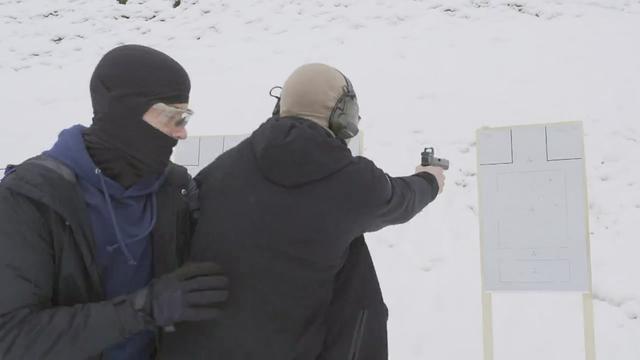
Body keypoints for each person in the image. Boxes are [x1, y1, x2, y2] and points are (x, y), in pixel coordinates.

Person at [158, 63, 446, 360]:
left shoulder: (224, 168)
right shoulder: (351, 181)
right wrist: (430, 179)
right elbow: (402, 199)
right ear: (342, 116)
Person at [0, 45, 229, 360]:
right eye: (172, 117)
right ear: (126, 113)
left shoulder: (174, 190)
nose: (182, 133)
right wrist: (145, 308)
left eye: (185, 116)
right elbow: (11, 337)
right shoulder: (31, 199)